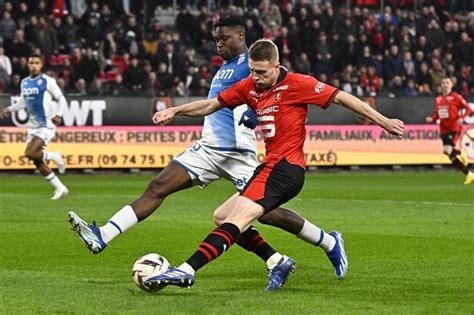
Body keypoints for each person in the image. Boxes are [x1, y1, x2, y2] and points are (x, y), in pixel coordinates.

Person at [68, 16, 349, 291]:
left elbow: (275, 88)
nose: (219, 44)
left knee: (264, 214)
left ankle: (327, 241)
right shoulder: (226, 67)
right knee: (157, 187)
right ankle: (104, 234)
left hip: (238, 152)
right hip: (208, 147)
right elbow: (213, 104)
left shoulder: (250, 64)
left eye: (224, 38)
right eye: (216, 39)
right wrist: (175, 111)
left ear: (241, 37)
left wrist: (253, 114)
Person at [144, 39, 405, 291]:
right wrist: (175, 111)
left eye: (261, 72)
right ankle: (324, 243)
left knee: (235, 220)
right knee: (221, 216)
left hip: (286, 170)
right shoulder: (249, 86)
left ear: (276, 66)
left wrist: (383, 121)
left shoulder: (298, 84)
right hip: (268, 167)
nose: (256, 77)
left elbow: (342, 98)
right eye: (252, 71)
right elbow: (211, 105)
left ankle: (187, 270)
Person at [0, 53, 68, 200]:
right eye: (31, 63)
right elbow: (23, 102)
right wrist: (8, 109)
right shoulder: (24, 82)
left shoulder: (47, 81)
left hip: (46, 124)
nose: (33, 66)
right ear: (28, 65)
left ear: (41, 65)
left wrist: (59, 114)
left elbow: (62, 99)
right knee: (36, 160)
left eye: (36, 63)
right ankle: (60, 188)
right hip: (32, 126)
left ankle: (55, 156)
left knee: (30, 153)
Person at [426, 77, 474, 184]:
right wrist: (432, 119)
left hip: (454, 127)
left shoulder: (456, 97)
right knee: (447, 152)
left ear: (451, 85)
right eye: (443, 83)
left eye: (447, 83)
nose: (445, 84)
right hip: (443, 128)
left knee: (448, 150)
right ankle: (468, 173)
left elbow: (468, 109)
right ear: (441, 85)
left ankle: (468, 169)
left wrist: (462, 118)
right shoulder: (438, 99)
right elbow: (438, 114)